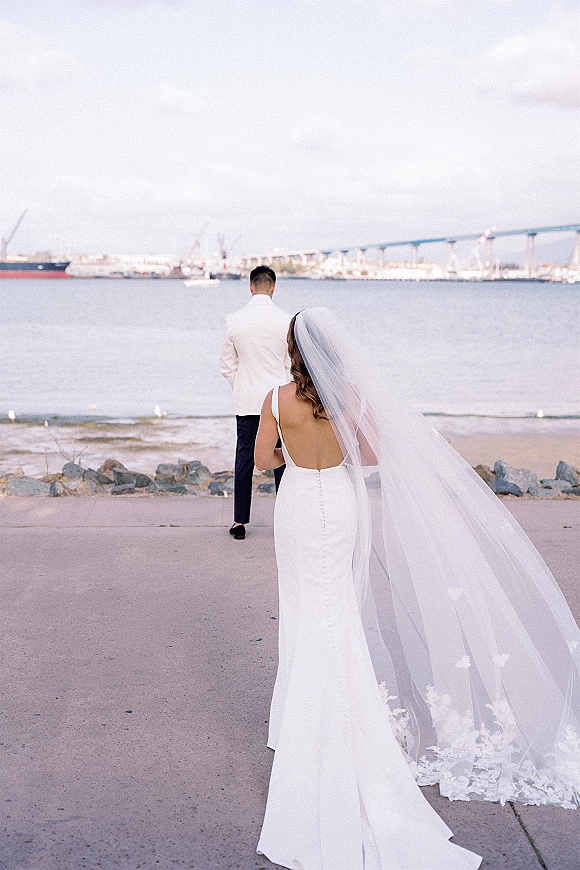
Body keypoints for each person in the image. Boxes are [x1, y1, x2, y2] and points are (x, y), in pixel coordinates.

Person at [253, 307, 580, 870]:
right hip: (342, 502)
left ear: (292, 347)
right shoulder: (351, 397)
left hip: (299, 505)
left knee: (302, 604)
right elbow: (376, 455)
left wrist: (290, 449)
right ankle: (338, 712)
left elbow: (262, 459)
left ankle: (296, 717)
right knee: (339, 608)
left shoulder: (277, 398)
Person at [220, 266, 291, 540]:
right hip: (278, 400)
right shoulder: (286, 321)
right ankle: (285, 522)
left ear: (251, 286)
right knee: (281, 461)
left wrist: (242, 387)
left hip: (247, 401)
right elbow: (290, 366)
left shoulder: (234, 320)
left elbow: (227, 366)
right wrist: (281, 390)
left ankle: (239, 522)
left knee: (244, 460)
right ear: (273, 287)